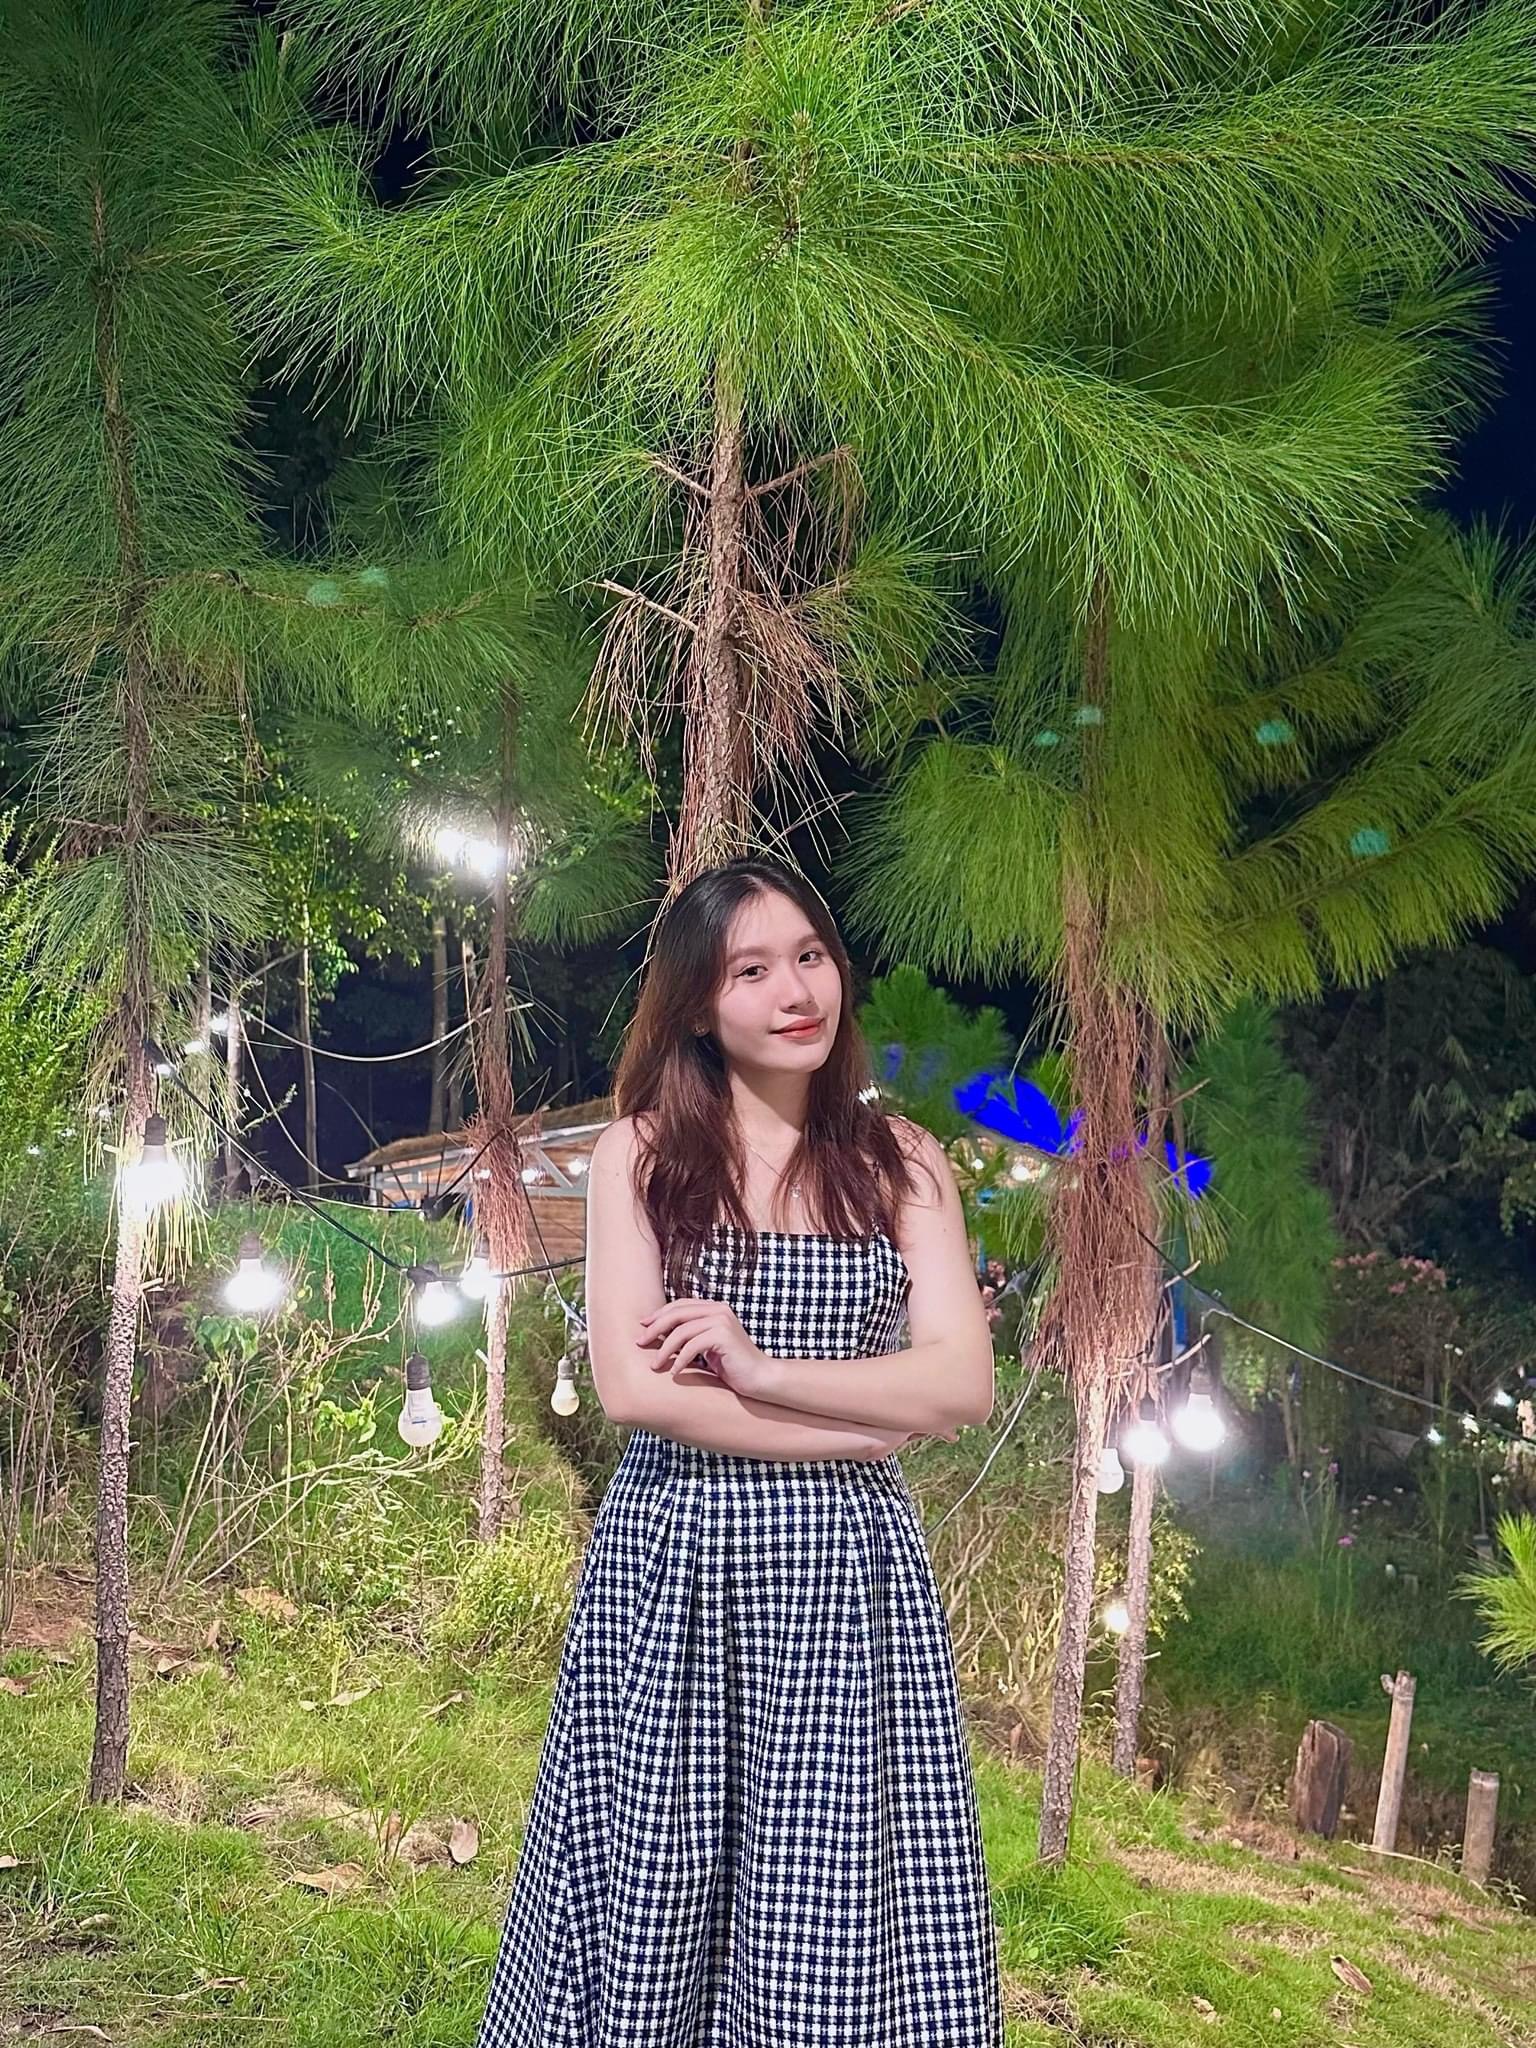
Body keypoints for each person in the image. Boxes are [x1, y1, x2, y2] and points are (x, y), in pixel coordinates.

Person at [475, 855, 1005, 2048]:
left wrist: (762, 1371)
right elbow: (637, 1391)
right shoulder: (643, 1152)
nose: (794, 991)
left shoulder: (901, 1159)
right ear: (698, 1006)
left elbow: (960, 1382)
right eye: (750, 970)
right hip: (682, 1556)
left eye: (809, 956)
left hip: (845, 1578)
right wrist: (864, 1425)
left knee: (827, 1885)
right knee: (655, 1873)